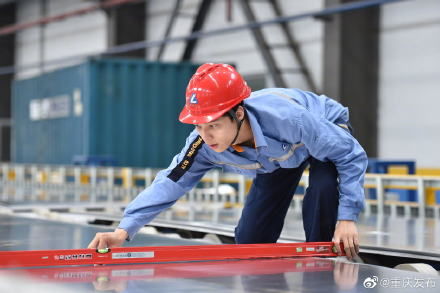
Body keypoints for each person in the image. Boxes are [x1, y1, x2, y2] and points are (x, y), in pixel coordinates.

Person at [88, 63, 367, 259]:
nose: (206, 136)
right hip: (276, 159)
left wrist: (347, 217)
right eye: (198, 126)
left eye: (214, 125)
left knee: (323, 187)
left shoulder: (290, 119)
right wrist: (124, 230)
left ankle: (324, 262)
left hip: (321, 133)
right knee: (249, 243)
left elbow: (350, 154)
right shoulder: (203, 144)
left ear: (239, 114)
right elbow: (171, 182)